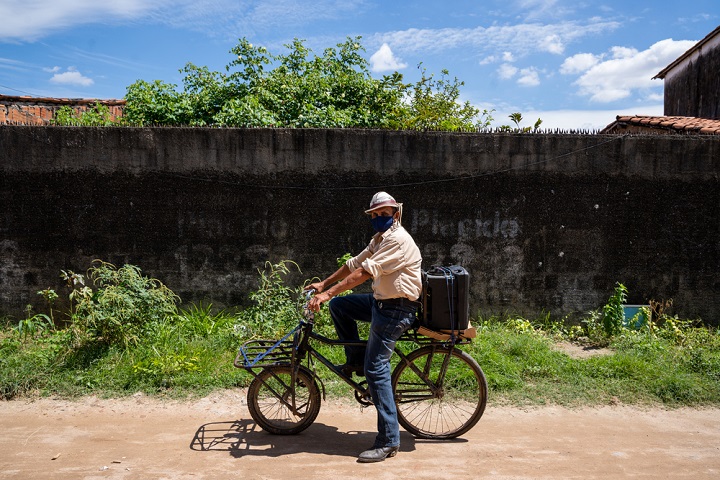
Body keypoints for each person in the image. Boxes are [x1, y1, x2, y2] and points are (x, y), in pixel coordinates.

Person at [306, 191, 422, 463]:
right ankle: (355, 360)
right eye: (375, 215)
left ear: (396, 214)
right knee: (341, 307)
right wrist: (323, 284)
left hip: (398, 308)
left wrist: (327, 294)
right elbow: (353, 264)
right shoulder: (379, 239)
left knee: (377, 368)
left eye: (385, 214)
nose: (380, 218)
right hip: (382, 301)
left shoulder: (396, 240)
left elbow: (365, 273)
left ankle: (388, 441)